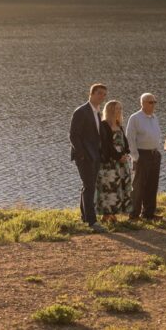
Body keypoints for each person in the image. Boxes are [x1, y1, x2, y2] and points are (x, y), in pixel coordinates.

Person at [69, 83, 108, 232]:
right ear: (91, 94)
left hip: (95, 155)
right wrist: (82, 154)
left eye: (104, 94)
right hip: (85, 156)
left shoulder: (97, 112)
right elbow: (73, 135)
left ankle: (85, 218)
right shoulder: (81, 111)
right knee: (89, 186)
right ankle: (92, 222)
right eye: (99, 93)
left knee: (88, 186)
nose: (102, 97)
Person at [126, 92, 163, 220]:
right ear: (142, 103)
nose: (153, 105)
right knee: (138, 186)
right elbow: (130, 139)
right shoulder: (135, 118)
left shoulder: (154, 117)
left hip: (154, 154)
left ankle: (148, 213)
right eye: (150, 102)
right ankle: (133, 214)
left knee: (152, 185)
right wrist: (135, 157)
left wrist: (157, 151)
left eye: (154, 102)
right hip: (142, 155)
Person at [96, 99, 132, 222]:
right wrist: (118, 157)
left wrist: (126, 153)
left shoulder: (118, 124)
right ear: (110, 110)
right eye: (117, 108)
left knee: (121, 187)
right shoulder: (104, 125)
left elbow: (125, 142)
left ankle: (114, 213)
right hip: (110, 163)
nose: (119, 111)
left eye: (120, 108)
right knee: (109, 188)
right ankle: (106, 214)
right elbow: (106, 145)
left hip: (121, 162)